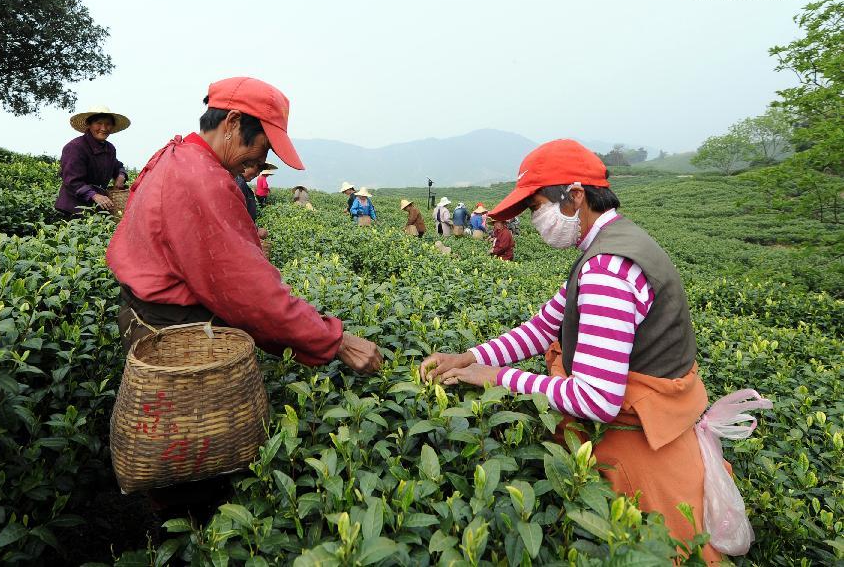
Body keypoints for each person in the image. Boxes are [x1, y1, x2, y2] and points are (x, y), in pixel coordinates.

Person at [421, 139, 729, 562]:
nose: (535, 221)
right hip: (658, 440)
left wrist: (498, 378)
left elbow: (596, 398)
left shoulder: (607, 270)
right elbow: (543, 326)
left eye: (537, 207)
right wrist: (472, 358)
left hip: (640, 460)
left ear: (575, 196)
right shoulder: (613, 246)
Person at [105, 76, 381, 523]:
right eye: (262, 145)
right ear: (232, 122)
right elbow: (254, 296)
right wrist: (336, 340)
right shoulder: (203, 179)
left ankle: (174, 529)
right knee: (196, 470)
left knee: (177, 465)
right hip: (179, 334)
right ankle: (194, 538)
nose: (260, 159)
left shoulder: (174, 156)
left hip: (146, 321)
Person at [56, 105, 130, 216]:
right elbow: (72, 181)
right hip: (72, 209)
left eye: (108, 124)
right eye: (98, 123)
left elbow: (117, 165)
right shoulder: (75, 147)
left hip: (96, 208)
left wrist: (121, 175)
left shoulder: (109, 148)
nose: (104, 128)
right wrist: (94, 195)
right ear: (89, 124)